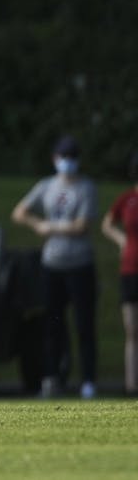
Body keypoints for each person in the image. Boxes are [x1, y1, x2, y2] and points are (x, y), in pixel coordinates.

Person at [11, 134, 99, 399]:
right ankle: (51, 378)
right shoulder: (46, 186)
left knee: (84, 324)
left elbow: (82, 225)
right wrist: (38, 224)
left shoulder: (86, 188)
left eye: (72, 157)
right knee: (52, 325)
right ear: (55, 158)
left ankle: (88, 382)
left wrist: (52, 227)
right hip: (52, 264)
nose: (67, 162)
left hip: (80, 265)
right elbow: (19, 212)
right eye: (64, 157)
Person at [100, 150, 138, 395]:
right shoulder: (127, 200)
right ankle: (131, 384)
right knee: (131, 329)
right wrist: (121, 240)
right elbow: (107, 224)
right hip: (131, 269)